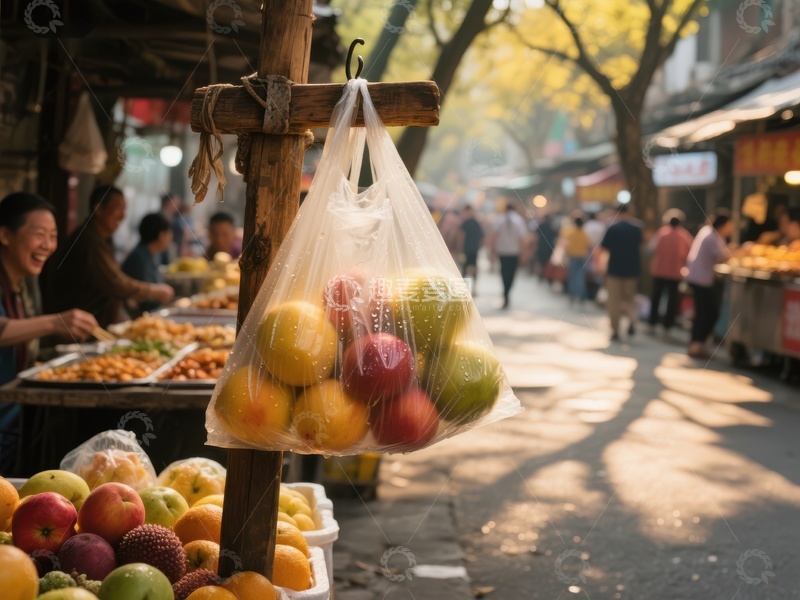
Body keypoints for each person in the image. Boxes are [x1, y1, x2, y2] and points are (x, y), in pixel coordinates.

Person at [0, 193, 98, 471]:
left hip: (12, 420)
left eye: (53, 236)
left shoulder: (24, 284)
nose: (47, 245)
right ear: (5, 235)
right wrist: (54, 323)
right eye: (39, 234)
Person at [43, 185, 174, 327]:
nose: (123, 215)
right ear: (98, 209)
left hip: (96, 326)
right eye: (118, 208)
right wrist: (152, 291)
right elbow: (116, 283)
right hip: (77, 329)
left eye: (125, 209)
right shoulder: (89, 239)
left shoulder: (103, 238)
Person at [685, 212, 734, 359]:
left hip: (699, 277)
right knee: (707, 313)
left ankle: (697, 344)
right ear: (724, 225)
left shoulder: (707, 232)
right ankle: (697, 345)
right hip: (702, 279)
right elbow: (723, 257)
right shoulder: (712, 236)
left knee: (704, 313)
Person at [601, 204, 643, 340]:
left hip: (614, 269)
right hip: (632, 270)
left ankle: (615, 330)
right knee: (630, 298)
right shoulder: (637, 228)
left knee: (614, 301)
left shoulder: (612, 228)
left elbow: (604, 248)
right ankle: (632, 319)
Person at [648, 210, 693, 333]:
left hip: (659, 271)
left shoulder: (662, 233)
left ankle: (652, 323)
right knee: (672, 301)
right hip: (675, 273)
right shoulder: (684, 236)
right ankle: (667, 326)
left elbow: (651, 248)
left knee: (656, 298)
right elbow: (690, 254)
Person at [122, 213, 174, 315]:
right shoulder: (138, 257)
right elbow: (137, 300)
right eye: (169, 232)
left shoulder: (153, 254)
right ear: (161, 235)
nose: (171, 237)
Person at [489, 203, 528, 309]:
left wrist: (491, 250)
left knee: (504, 272)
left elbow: (494, 236)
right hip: (514, 252)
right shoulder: (519, 220)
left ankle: (505, 291)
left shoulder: (499, 219)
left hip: (503, 251)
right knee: (511, 273)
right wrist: (524, 253)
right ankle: (507, 291)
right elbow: (522, 239)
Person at [565, 216, 590, 304]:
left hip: (573, 257)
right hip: (582, 257)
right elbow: (588, 245)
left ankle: (572, 294)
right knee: (581, 277)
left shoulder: (571, 234)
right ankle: (581, 295)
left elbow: (567, 246)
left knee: (572, 277)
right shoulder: (584, 234)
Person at [458, 205, 484, 288]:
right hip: (474, 248)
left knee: (465, 267)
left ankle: (464, 286)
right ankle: (473, 287)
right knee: (473, 267)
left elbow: (461, 236)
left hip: (467, 248)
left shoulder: (465, 222)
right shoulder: (476, 222)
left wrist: (460, 248)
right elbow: (481, 236)